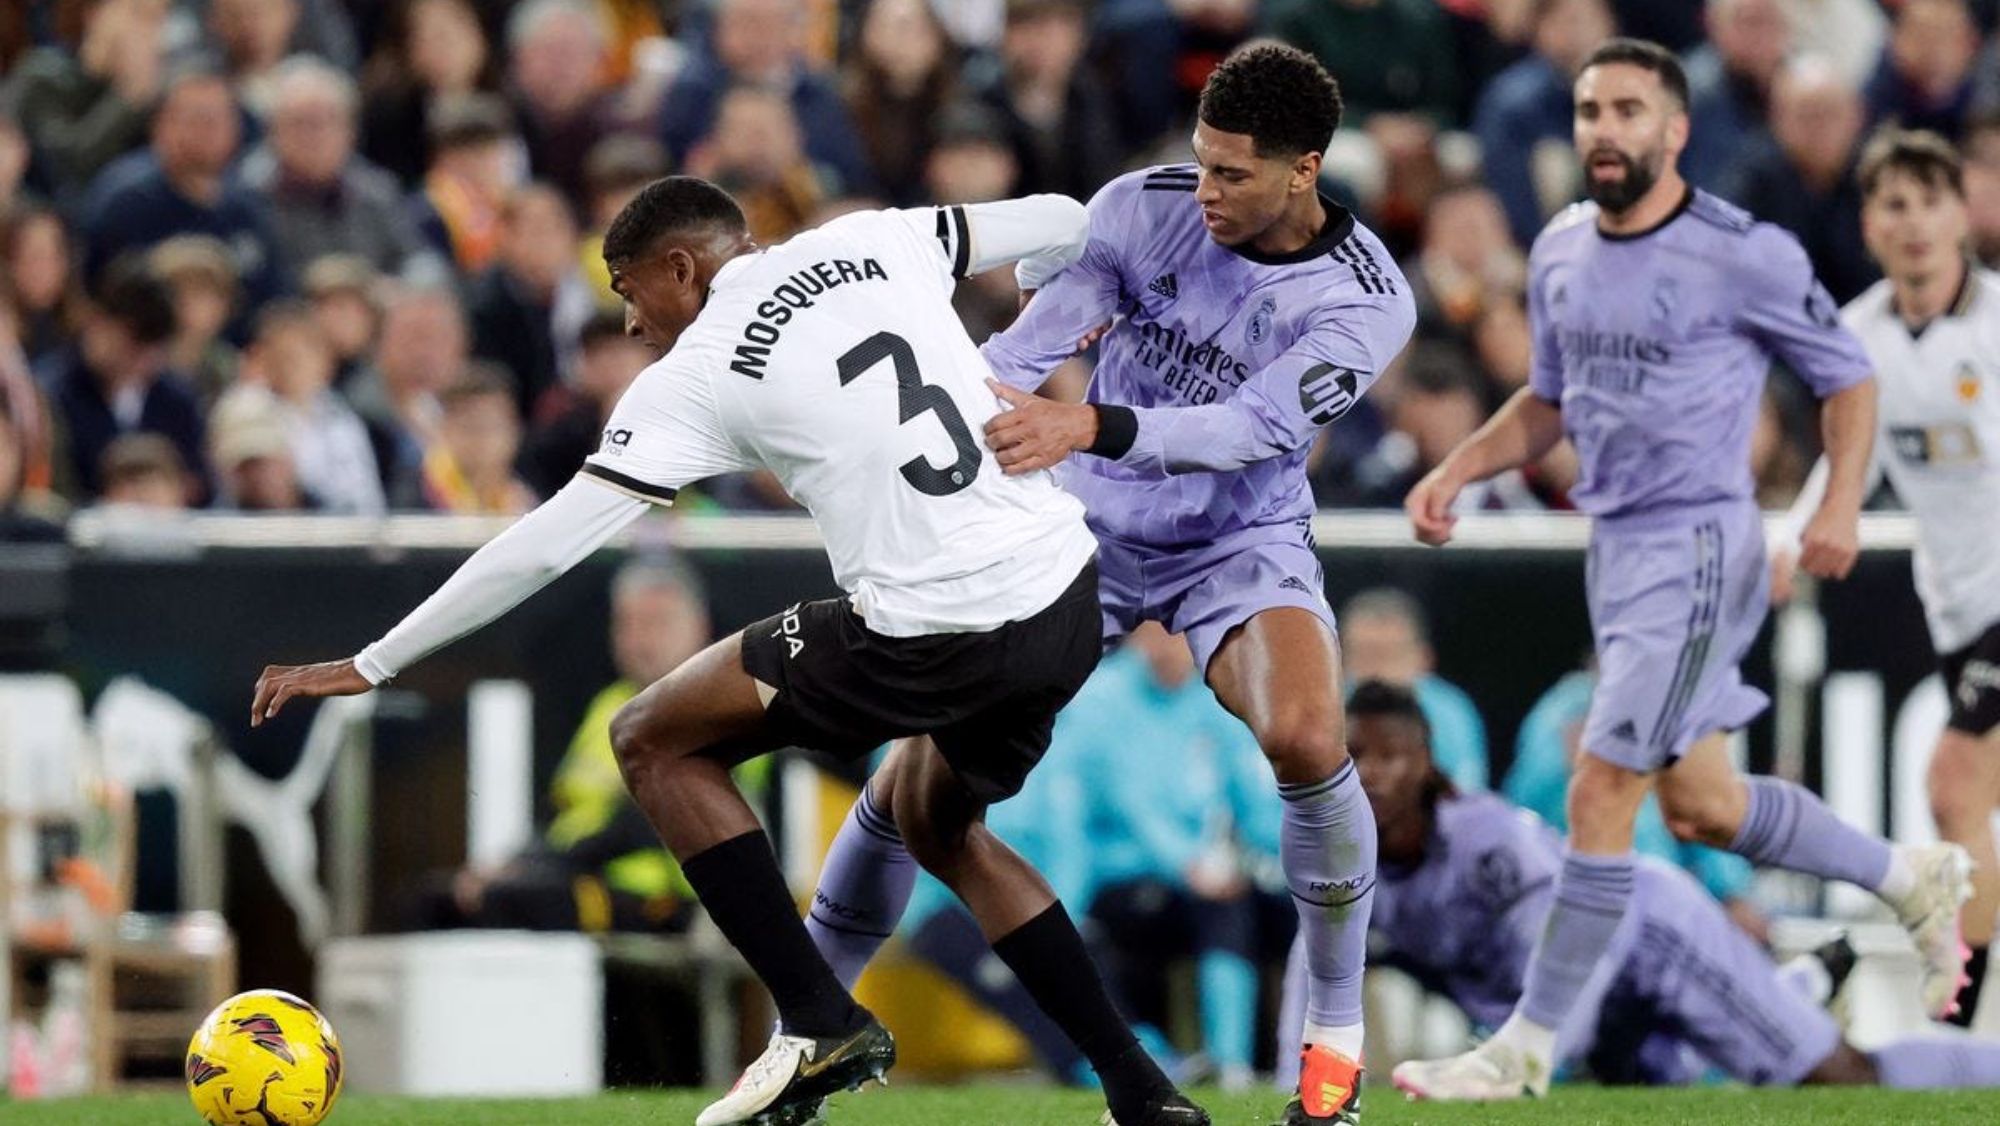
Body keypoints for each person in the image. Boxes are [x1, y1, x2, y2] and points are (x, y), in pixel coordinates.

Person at [246, 175, 1207, 1126]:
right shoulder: (871, 237)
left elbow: (542, 543)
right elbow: (1065, 219)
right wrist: (1046, 291)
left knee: (651, 736)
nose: (628, 324)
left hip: (934, 630)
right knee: (938, 823)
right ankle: (1141, 1089)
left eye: (627, 292)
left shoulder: (696, 372)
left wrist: (375, 659)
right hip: (1064, 596)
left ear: (680, 266)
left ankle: (818, 1019)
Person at [799, 42, 1416, 1126]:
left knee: (1309, 740)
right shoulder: (1140, 205)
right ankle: (802, 1028)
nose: (1207, 190)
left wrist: (1088, 422)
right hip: (1079, 527)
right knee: (916, 781)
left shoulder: (1367, 300)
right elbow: (1032, 343)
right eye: (1201, 161)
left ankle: (1331, 1039)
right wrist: (950, 407)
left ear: (1303, 169)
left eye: (1233, 173)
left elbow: (1254, 428)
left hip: (1240, 539)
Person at [1397, 38, 1971, 1101]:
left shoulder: (1740, 250)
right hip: (1613, 547)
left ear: (1673, 130)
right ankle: (1906, 874)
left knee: (1599, 782)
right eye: (1586, 110)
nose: (1602, 130)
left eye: (1626, 110)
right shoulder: (1561, 247)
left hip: (1701, 543)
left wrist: (1836, 502)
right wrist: (1458, 465)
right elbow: (1548, 403)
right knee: (1700, 803)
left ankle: (1524, 1047)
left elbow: (1845, 381)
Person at [1319, 680, 2000, 1094]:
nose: (1372, 775)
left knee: (1833, 1078)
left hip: (1642, 940)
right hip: (1585, 1000)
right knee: (1682, 1088)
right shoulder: (1338, 857)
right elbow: (1313, 965)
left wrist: (1538, 1049)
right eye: (1357, 757)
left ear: (1426, 762)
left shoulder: (1486, 839)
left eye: (1388, 757)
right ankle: (1801, 987)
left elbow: (1585, 923)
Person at [1775, 128, 2000, 1028]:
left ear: (1963, 213)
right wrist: (1792, 540)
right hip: (1960, 609)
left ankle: (1955, 1028)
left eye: (1928, 202)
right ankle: (1970, 1035)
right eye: (1893, 205)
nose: (1913, 225)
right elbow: (1847, 465)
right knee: (1965, 810)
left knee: (1952, 783)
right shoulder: (1858, 336)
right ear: (1869, 225)